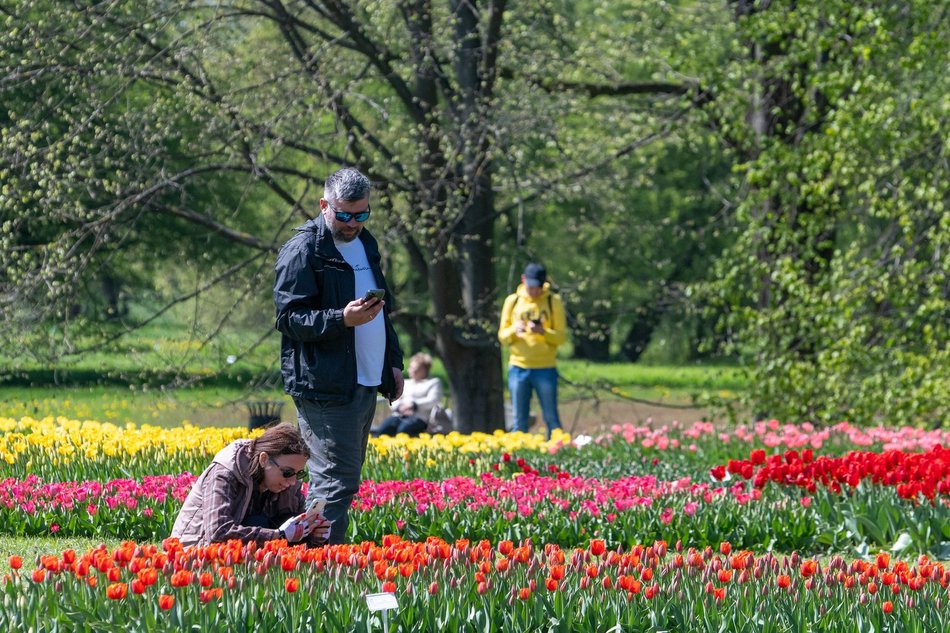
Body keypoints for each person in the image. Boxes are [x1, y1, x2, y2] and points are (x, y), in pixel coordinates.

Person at [273, 167, 404, 544]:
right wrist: (340, 319)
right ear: (324, 205)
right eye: (343, 214)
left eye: (361, 214)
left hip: (364, 379)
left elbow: (384, 309)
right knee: (335, 480)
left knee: (342, 479)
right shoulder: (304, 249)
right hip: (325, 384)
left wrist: (392, 362)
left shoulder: (367, 243)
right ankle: (319, 560)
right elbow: (288, 318)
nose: (352, 223)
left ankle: (317, 558)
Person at [171, 423, 329, 547]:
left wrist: (314, 535)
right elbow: (218, 532)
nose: (293, 481)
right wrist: (277, 535)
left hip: (240, 556)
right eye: (287, 472)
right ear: (264, 459)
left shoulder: (288, 485)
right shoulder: (226, 472)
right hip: (196, 552)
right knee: (259, 522)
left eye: (299, 473)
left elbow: (292, 534)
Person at [497, 262, 567, 438]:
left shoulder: (553, 301)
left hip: (545, 367)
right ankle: (519, 459)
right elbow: (503, 337)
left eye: (538, 287)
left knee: (551, 418)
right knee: (519, 421)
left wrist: (543, 332)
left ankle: (557, 453)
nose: (534, 291)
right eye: (531, 286)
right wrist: (515, 329)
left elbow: (560, 337)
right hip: (518, 367)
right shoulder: (512, 301)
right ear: (523, 280)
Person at [371, 352, 443, 437]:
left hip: (419, 417)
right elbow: (395, 398)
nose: (411, 370)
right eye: (411, 367)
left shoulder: (433, 382)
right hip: (399, 415)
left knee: (403, 431)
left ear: (425, 369)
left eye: (416, 368)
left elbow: (433, 400)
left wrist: (413, 404)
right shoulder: (405, 383)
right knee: (382, 431)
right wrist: (400, 407)